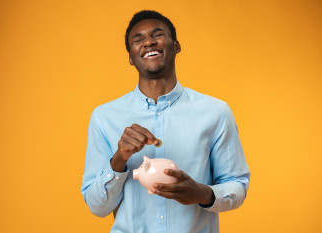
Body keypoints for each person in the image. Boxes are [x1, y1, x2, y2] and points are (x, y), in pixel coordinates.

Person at [81, 10, 250, 233]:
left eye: (157, 34)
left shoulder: (216, 112)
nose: (148, 41)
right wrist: (119, 158)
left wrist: (202, 193)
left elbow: (237, 185)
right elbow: (97, 206)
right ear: (131, 57)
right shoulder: (104, 117)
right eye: (138, 39)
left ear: (176, 46)